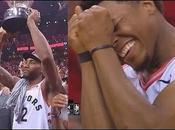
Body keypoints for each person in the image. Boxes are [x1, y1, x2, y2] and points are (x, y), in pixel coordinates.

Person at [69, 0, 175, 128]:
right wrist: (85, 56)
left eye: (115, 26)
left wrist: (100, 45)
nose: (110, 41)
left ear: (148, 6)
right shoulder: (121, 73)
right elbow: (73, 106)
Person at [0, 8, 65, 129]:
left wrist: (31, 23)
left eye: (31, 62)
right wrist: (1, 42)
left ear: (42, 69)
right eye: (24, 61)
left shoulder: (48, 87)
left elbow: (46, 58)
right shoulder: (18, 84)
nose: (25, 64)